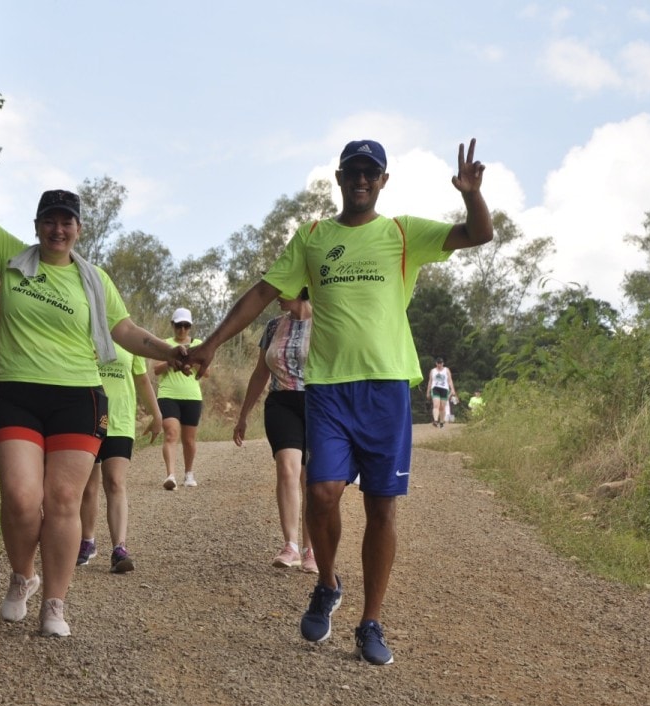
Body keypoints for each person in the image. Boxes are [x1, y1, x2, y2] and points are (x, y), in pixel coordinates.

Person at [186, 138, 493, 665]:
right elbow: (262, 292)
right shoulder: (313, 237)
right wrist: (211, 342)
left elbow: (479, 233)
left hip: (386, 388)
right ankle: (327, 583)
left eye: (371, 172)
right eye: (353, 171)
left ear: (383, 180)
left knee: (381, 505)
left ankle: (370, 622)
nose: (362, 180)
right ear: (339, 178)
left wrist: (470, 195)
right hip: (327, 388)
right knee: (322, 493)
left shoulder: (402, 233)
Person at [0, 114, 188, 637]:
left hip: (79, 398)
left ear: (78, 229)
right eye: (50, 220)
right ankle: (23, 575)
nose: (59, 229)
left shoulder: (95, 281)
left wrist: (171, 350)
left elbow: (126, 332)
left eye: (67, 221)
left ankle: (54, 603)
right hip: (19, 394)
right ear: (37, 226)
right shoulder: (12, 259)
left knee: (61, 501)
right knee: (19, 497)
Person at [233, 288, 319, 573]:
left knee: (311, 478)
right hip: (281, 403)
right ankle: (290, 545)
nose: (276, 296)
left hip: (318, 403)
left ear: (301, 288)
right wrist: (243, 415)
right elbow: (260, 372)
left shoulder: (325, 322)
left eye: (282, 289)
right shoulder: (273, 327)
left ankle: (311, 550)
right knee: (287, 467)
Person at [78, 344, 163, 573]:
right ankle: (87, 541)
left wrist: (157, 415)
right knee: (88, 486)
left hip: (121, 421)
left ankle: (119, 549)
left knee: (115, 481)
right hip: (87, 417)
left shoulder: (128, 340)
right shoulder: (86, 335)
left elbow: (142, 380)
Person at [155, 308, 204, 489]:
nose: (182, 329)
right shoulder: (164, 344)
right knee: (171, 433)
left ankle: (189, 473)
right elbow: (155, 370)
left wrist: (191, 359)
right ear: (172, 325)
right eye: (178, 325)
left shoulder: (198, 344)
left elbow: (206, 373)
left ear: (190, 326)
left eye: (186, 326)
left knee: (189, 439)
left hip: (192, 397)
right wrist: (170, 360)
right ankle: (170, 476)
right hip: (168, 395)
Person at [426, 357, 457, 428]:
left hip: (444, 389)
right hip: (435, 388)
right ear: (436, 363)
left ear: (443, 363)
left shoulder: (446, 370)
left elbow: (450, 380)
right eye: (438, 363)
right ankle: (435, 420)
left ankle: (442, 421)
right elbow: (430, 381)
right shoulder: (433, 371)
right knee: (436, 405)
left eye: (441, 363)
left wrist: (452, 389)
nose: (439, 365)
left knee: (442, 407)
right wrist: (428, 391)